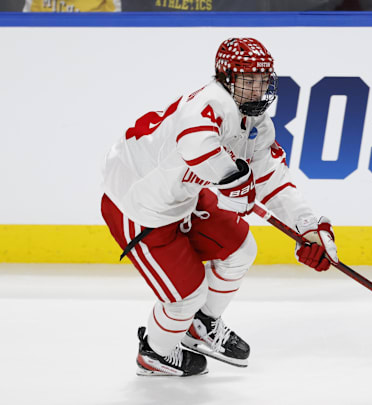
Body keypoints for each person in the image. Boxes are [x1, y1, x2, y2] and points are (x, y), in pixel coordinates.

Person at [100, 37, 338, 376]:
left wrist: (308, 227)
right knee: (186, 296)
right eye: (248, 81)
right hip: (138, 207)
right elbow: (195, 142)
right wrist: (230, 179)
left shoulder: (256, 123)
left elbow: (274, 180)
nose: (257, 90)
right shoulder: (208, 104)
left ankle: (201, 324)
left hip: (183, 196)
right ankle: (154, 354)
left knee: (242, 249)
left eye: (262, 80)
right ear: (226, 79)